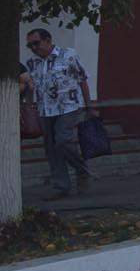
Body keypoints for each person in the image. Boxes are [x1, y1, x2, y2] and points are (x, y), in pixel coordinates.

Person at [21, 28, 94, 200]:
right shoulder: (32, 63)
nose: (33, 47)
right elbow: (32, 86)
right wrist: (29, 106)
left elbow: (82, 79)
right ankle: (61, 186)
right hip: (45, 110)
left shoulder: (68, 55)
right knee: (51, 148)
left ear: (48, 40)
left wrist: (89, 106)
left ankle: (82, 170)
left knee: (63, 141)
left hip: (68, 107)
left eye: (36, 43)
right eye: (30, 45)